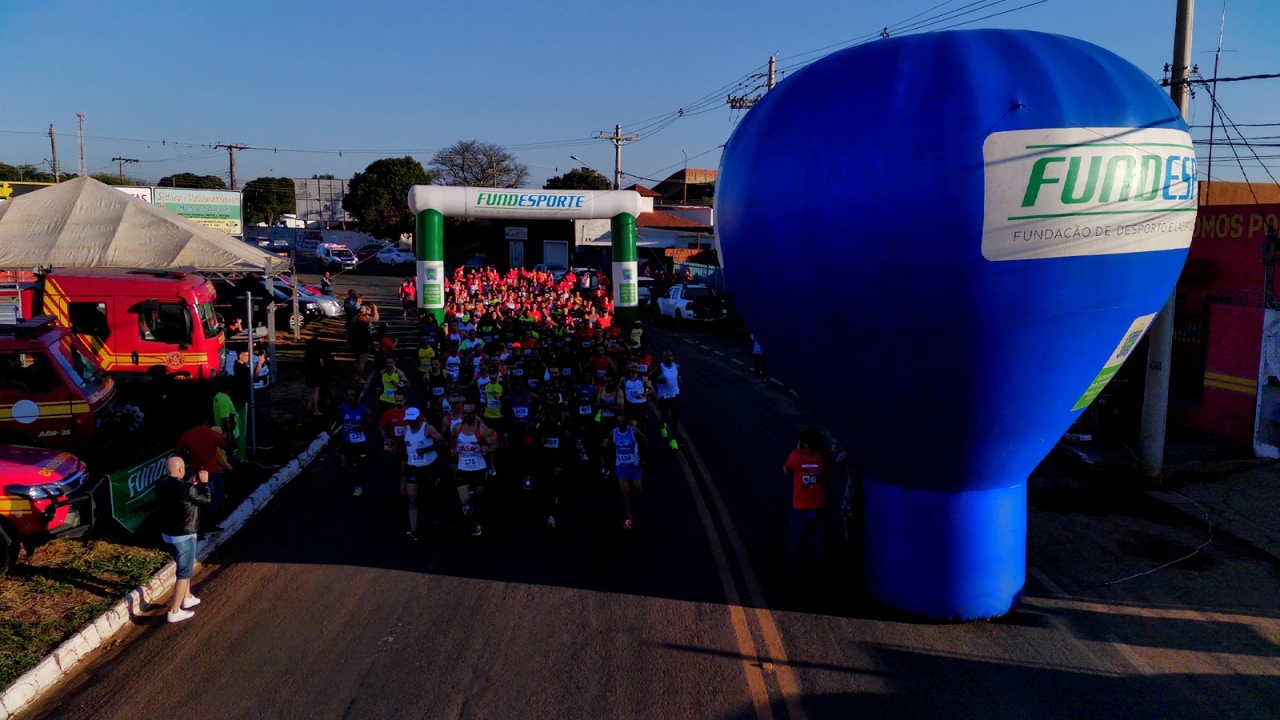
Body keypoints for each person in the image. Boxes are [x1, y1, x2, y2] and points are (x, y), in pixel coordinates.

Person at [156, 456, 210, 623]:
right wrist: (204, 484)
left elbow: (180, 494)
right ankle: (174, 610)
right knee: (184, 573)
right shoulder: (187, 489)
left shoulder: (161, 485)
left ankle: (187, 597)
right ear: (181, 470)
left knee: (182, 565)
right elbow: (206, 500)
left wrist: (191, 485)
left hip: (168, 535)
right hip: (185, 536)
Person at [784, 427, 829, 574]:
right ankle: (819, 569)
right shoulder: (822, 457)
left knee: (796, 539)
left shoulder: (795, 456)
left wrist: (799, 449)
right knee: (819, 540)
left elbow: (786, 470)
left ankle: (794, 569)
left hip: (800, 505)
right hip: (819, 504)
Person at [451, 403, 496, 537]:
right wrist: (453, 449)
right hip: (463, 467)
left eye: (471, 413)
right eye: (466, 413)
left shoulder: (482, 429)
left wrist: (488, 449)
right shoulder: (457, 427)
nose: (468, 415)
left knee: (477, 498)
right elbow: (452, 438)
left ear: (475, 413)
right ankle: (471, 521)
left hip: (479, 467)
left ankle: (476, 521)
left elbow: (496, 444)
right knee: (464, 500)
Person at [176, 416, 229, 526]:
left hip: (194, 472)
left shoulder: (187, 434)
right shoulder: (213, 434)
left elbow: (179, 450)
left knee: (197, 499)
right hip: (211, 473)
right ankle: (207, 524)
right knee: (215, 497)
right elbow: (226, 444)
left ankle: (200, 522)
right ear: (206, 420)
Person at [400, 407, 444, 541]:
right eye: (408, 420)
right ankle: (413, 529)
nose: (410, 422)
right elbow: (404, 445)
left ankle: (435, 520)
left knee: (430, 495)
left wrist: (426, 449)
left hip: (428, 466)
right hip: (413, 467)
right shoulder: (404, 429)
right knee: (412, 497)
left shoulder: (427, 428)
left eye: (412, 420)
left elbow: (441, 441)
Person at [607, 412, 647, 530]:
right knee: (625, 494)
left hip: (634, 467)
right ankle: (628, 516)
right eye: (618, 421)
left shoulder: (633, 432)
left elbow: (645, 441)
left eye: (622, 421)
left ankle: (639, 511)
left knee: (638, 492)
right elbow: (610, 448)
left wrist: (643, 457)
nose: (620, 424)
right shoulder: (613, 433)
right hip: (621, 468)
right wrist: (610, 464)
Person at [338, 388, 375, 497]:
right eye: (348, 395)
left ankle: (358, 486)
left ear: (357, 396)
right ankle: (351, 459)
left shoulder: (364, 410)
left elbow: (372, 425)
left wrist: (363, 427)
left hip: (360, 441)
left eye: (352, 395)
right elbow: (338, 420)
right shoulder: (343, 408)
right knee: (343, 464)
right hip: (347, 440)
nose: (350, 397)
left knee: (360, 464)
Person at [653, 350, 681, 450]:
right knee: (664, 413)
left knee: (675, 416)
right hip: (664, 396)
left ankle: (673, 439)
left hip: (674, 394)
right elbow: (650, 377)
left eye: (670, 356)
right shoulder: (660, 368)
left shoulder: (675, 366)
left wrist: (679, 379)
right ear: (663, 358)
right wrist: (659, 381)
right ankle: (662, 425)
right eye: (666, 357)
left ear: (673, 357)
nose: (669, 358)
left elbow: (677, 374)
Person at [304, 334, 334, 416]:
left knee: (312, 390)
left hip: (309, 373)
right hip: (317, 373)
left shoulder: (307, 353)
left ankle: (309, 405)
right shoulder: (318, 353)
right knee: (316, 392)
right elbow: (321, 364)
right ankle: (315, 410)